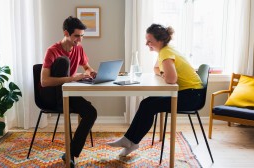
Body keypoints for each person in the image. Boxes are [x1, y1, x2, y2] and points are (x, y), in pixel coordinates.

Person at [107, 24, 203, 156]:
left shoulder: (166, 53)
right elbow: (156, 69)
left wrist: (165, 74)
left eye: (149, 41)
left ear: (160, 40)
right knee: (146, 103)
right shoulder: (166, 50)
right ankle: (129, 141)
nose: (147, 44)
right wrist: (164, 73)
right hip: (191, 93)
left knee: (149, 107)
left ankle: (131, 142)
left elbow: (171, 79)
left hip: (191, 97)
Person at [40, 16, 97, 166]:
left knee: (91, 112)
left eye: (82, 36)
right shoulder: (52, 51)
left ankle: (70, 154)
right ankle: (70, 153)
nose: (79, 40)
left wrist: (92, 72)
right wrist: (71, 79)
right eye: (76, 36)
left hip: (68, 92)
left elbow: (86, 67)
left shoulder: (78, 49)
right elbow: (44, 81)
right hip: (53, 95)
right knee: (63, 61)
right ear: (66, 33)